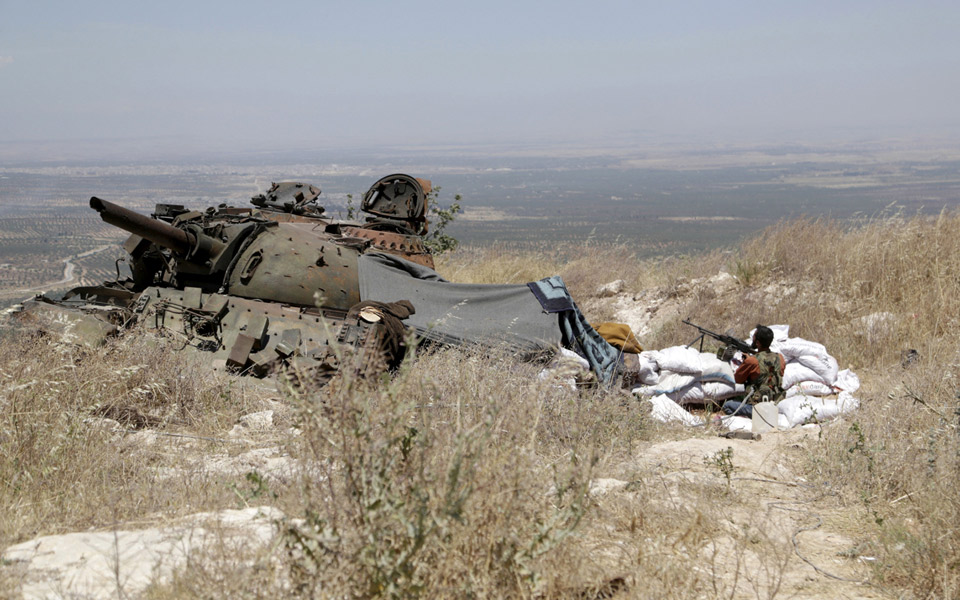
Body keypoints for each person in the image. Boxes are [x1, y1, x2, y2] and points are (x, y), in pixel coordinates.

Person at [721, 325, 785, 419]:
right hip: (775, 405)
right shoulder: (780, 358)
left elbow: (737, 379)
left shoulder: (752, 361)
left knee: (728, 405)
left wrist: (746, 363)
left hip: (757, 408)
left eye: (754, 338)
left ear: (758, 343)